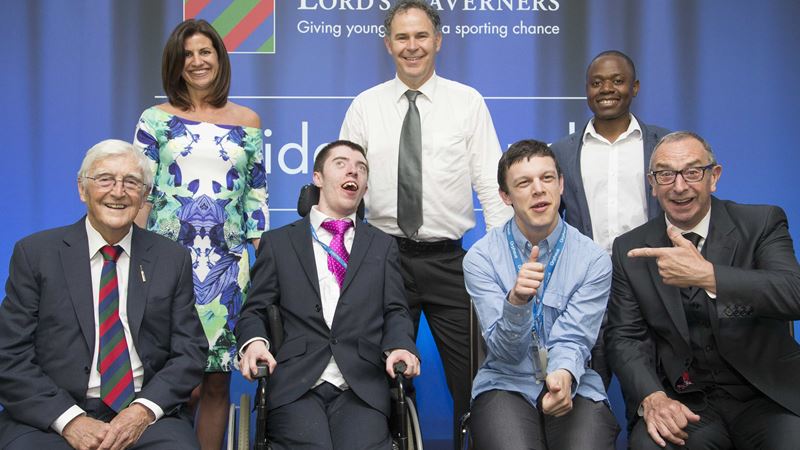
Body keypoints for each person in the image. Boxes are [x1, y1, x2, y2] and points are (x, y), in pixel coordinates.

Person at [339, 1, 511, 440]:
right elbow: (345, 185)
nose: (411, 46)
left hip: (449, 262)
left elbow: (492, 188)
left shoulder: (466, 103)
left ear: (437, 41)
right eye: (402, 37)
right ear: (387, 44)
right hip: (382, 258)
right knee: (383, 377)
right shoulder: (365, 106)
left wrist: (504, 260)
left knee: (473, 378)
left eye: (420, 36)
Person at [0, 139, 207, 450]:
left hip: (144, 414)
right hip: (53, 414)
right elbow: (10, 355)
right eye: (105, 179)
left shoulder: (171, 258)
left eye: (131, 182)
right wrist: (70, 420)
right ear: (82, 190)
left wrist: (142, 411)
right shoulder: (36, 254)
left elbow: (189, 352)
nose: (118, 191)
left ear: (144, 196)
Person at [605, 131, 800, 449]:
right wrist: (652, 396)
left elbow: (794, 293)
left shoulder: (761, 223)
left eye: (693, 172)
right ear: (652, 184)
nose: (679, 186)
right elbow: (624, 337)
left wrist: (710, 276)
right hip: (685, 402)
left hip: (768, 398)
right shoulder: (631, 248)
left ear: (714, 177)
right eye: (666, 174)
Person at [133, 18, 268, 449]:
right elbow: (141, 196)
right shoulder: (154, 120)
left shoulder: (248, 121)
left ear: (219, 58)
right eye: (187, 54)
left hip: (227, 270)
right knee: (176, 382)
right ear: (175, 63)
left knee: (214, 384)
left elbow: (255, 203)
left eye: (205, 52)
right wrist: (134, 262)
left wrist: (259, 273)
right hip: (166, 263)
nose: (197, 61)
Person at [236, 140, 420, 449]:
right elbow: (254, 310)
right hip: (296, 383)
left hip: (360, 384)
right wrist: (254, 344)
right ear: (317, 178)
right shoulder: (279, 243)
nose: (354, 170)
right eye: (342, 163)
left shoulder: (382, 245)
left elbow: (396, 311)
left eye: (361, 168)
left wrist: (402, 346)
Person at [463, 140, 619, 449]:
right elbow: (505, 353)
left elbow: (575, 337)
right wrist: (517, 303)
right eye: (524, 183)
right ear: (505, 196)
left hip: (573, 382)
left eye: (547, 178)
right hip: (505, 382)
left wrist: (562, 375)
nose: (538, 189)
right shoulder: (481, 258)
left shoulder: (593, 259)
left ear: (561, 185)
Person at [550, 50, 670, 388]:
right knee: (585, 393)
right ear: (586, 89)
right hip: (587, 290)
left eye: (617, 81)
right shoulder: (561, 152)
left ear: (635, 87)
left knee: (654, 392)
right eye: (597, 82)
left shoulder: (665, 144)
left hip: (653, 287)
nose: (607, 89)